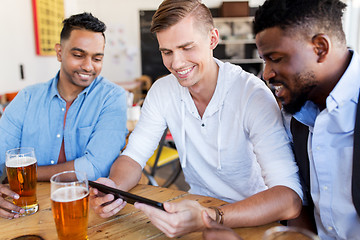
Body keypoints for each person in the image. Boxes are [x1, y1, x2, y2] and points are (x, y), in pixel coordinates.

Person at [90, 0, 303, 237]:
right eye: (167, 52)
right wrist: (114, 188)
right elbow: (133, 156)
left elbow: (289, 199)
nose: (176, 63)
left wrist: (210, 217)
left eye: (187, 47)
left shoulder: (251, 95)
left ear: (212, 39)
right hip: (195, 211)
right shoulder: (162, 91)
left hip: (252, 218)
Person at [0, 12, 127, 219]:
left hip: (90, 212)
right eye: (78, 55)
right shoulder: (26, 98)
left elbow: (95, 167)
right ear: (59, 52)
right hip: (25, 213)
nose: (88, 66)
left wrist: (23, 175)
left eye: (97, 58)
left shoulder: (112, 97)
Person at [253, 0, 360, 239]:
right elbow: (303, 206)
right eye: (264, 60)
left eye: (276, 58)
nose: (267, 73)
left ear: (320, 48)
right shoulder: (297, 114)